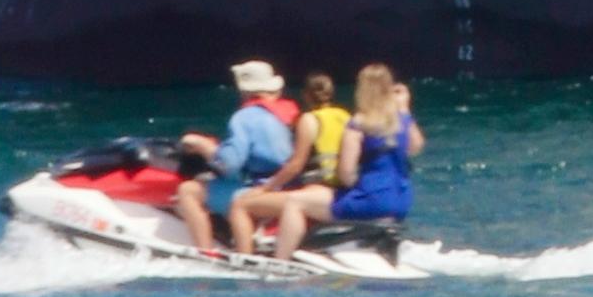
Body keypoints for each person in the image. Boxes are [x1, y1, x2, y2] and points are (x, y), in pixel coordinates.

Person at [173, 60, 294, 257]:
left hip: (255, 188)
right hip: (282, 186)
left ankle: (206, 253)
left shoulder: (244, 117)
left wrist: (204, 147)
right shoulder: (285, 115)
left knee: (188, 190)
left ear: (244, 91)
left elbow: (229, 164)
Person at [232, 70, 353, 260]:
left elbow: (295, 165)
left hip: (315, 190)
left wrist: (265, 188)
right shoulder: (345, 117)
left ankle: (244, 258)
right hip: (342, 190)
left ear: (305, 95)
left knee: (240, 205)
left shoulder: (310, 120)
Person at [322, 63, 419, 257]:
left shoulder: (358, 123)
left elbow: (346, 173)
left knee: (295, 203)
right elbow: (415, 146)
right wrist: (404, 108)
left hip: (371, 200)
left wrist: (348, 185)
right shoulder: (401, 119)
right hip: (401, 200)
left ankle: (284, 257)